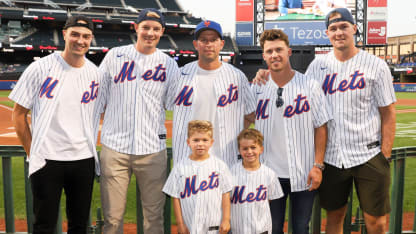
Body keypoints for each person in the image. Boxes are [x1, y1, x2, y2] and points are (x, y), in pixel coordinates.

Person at [305, 8, 396, 233]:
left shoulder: (376, 65)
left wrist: (385, 154)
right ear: (327, 33)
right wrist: (265, 74)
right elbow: (298, 96)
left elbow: (388, 112)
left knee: (377, 222)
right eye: (333, 28)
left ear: (354, 29)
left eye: (343, 26)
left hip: (369, 154)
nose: (339, 32)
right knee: (334, 218)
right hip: (332, 157)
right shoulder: (317, 66)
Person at [10, 15, 100, 234]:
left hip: (83, 159)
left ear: (91, 39)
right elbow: (18, 115)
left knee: (79, 225)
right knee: (44, 225)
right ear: (64, 34)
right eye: (75, 34)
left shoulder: (96, 74)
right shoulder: (40, 68)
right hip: (47, 160)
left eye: (86, 36)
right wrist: (33, 153)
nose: (81, 40)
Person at [98, 8, 180, 234]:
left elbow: (175, 102)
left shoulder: (168, 63)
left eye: (155, 29)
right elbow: (98, 99)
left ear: (162, 31)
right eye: (146, 27)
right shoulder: (115, 55)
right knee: (112, 218)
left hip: (152, 150)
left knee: (154, 218)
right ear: (136, 28)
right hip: (115, 148)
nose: (150, 33)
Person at [250, 29, 331, 234]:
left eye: (279, 49)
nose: (274, 54)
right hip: (268, 173)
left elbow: (320, 126)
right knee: (271, 228)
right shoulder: (256, 88)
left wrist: (318, 166)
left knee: (301, 228)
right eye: (269, 51)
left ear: (289, 52)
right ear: (264, 56)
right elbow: (244, 119)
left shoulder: (309, 85)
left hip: (303, 172)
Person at [167, 20, 256, 167]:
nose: (208, 44)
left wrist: (234, 136)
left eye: (213, 40)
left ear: (221, 44)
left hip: (226, 159)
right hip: (187, 158)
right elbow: (164, 104)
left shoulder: (237, 76)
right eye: (203, 40)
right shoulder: (179, 75)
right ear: (196, 44)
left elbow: (250, 114)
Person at [162, 120, 233, 234]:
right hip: (191, 225)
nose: (200, 144)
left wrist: (226, 220)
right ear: (188, 142)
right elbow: (176, 198)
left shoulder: (220, 166)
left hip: (214, 225)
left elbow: (226, 194)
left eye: (205, 140)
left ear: (211, 142)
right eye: (196, 140)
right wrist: (180, 224)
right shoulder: (180, 167)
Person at [230, 128, 283, 233]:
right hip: (238, 229)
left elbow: (270, 199)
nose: (249, 151)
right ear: (239, 150)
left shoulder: (269, 174)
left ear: (261, 149)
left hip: (261, 228)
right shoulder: (231, 172)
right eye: (245, 148)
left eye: (253, 147)